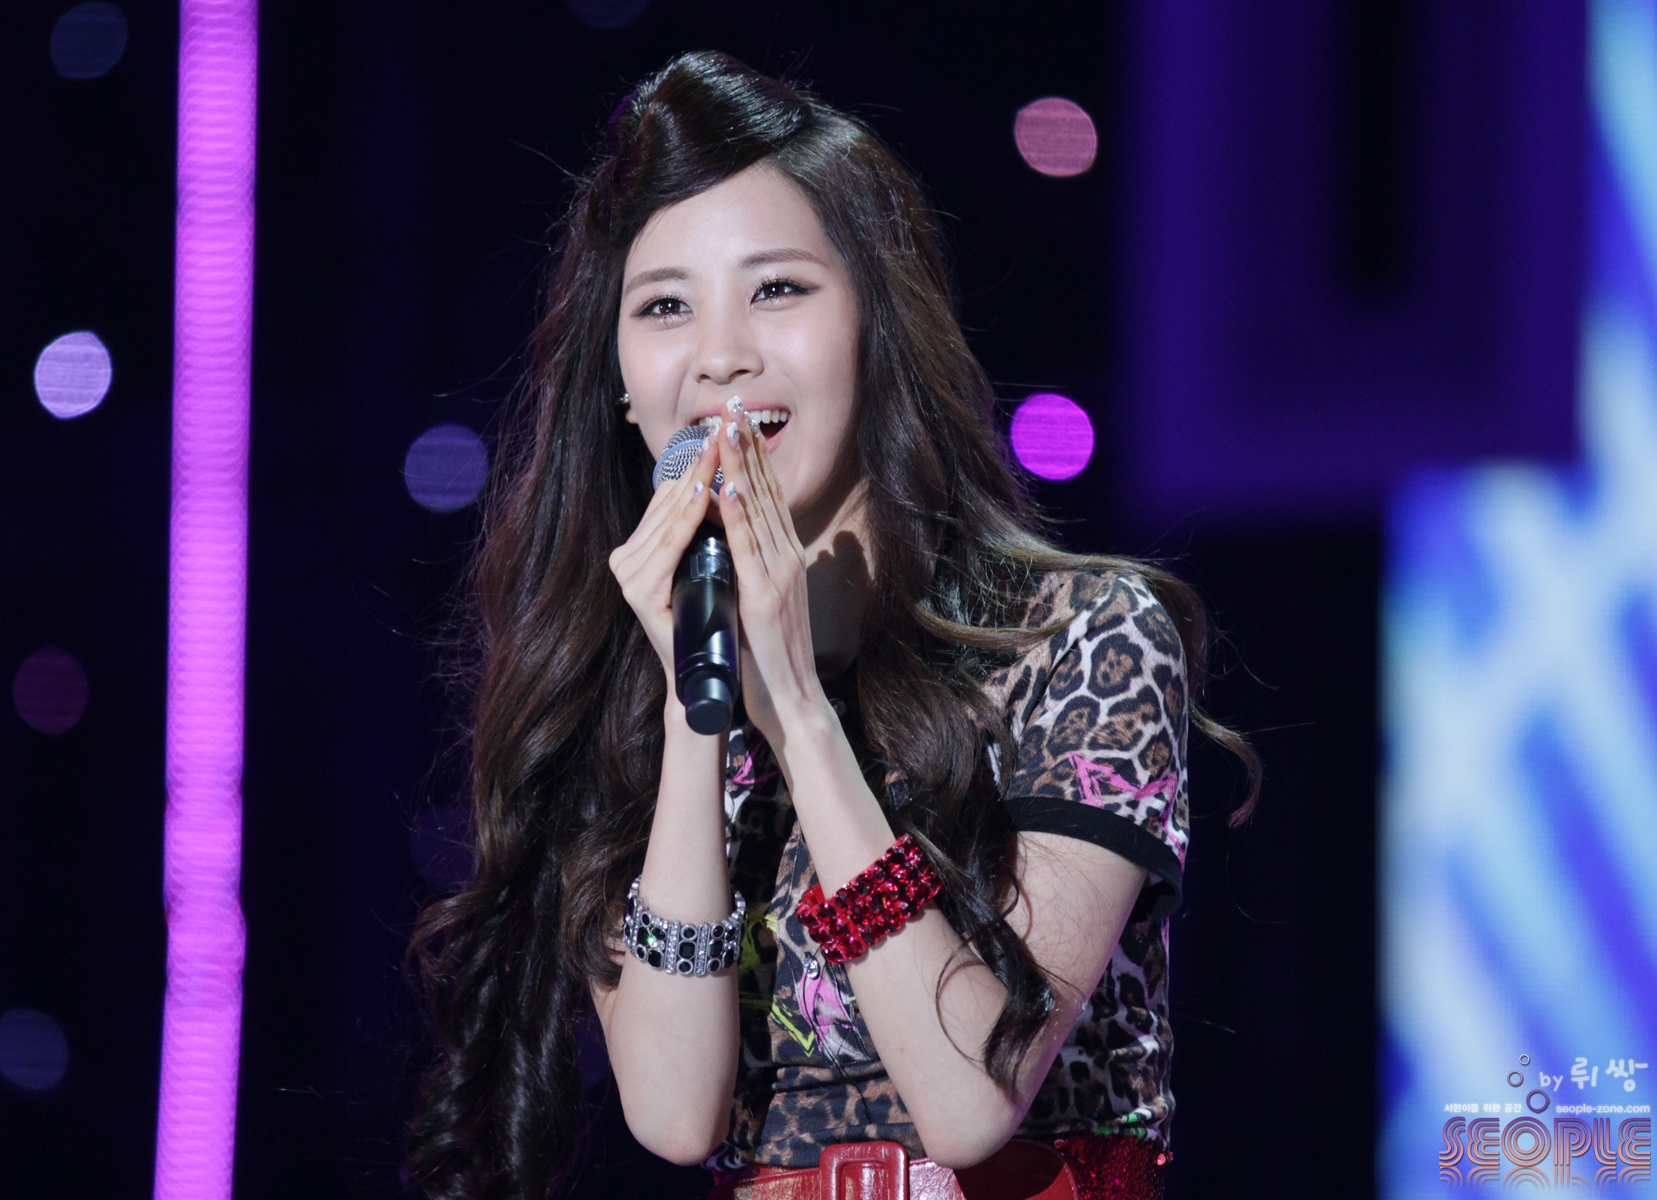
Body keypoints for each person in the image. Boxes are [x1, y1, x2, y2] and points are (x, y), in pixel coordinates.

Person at [407, 51, 1257, 1200]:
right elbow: (674, 1112)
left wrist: (801, 716)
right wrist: (696, 703)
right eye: (665, 306)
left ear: (874, 327)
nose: (721, 355)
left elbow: (972, 1098)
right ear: (620, 385)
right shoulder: (624, 698)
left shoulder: (1084, 640)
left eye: (777, 290)